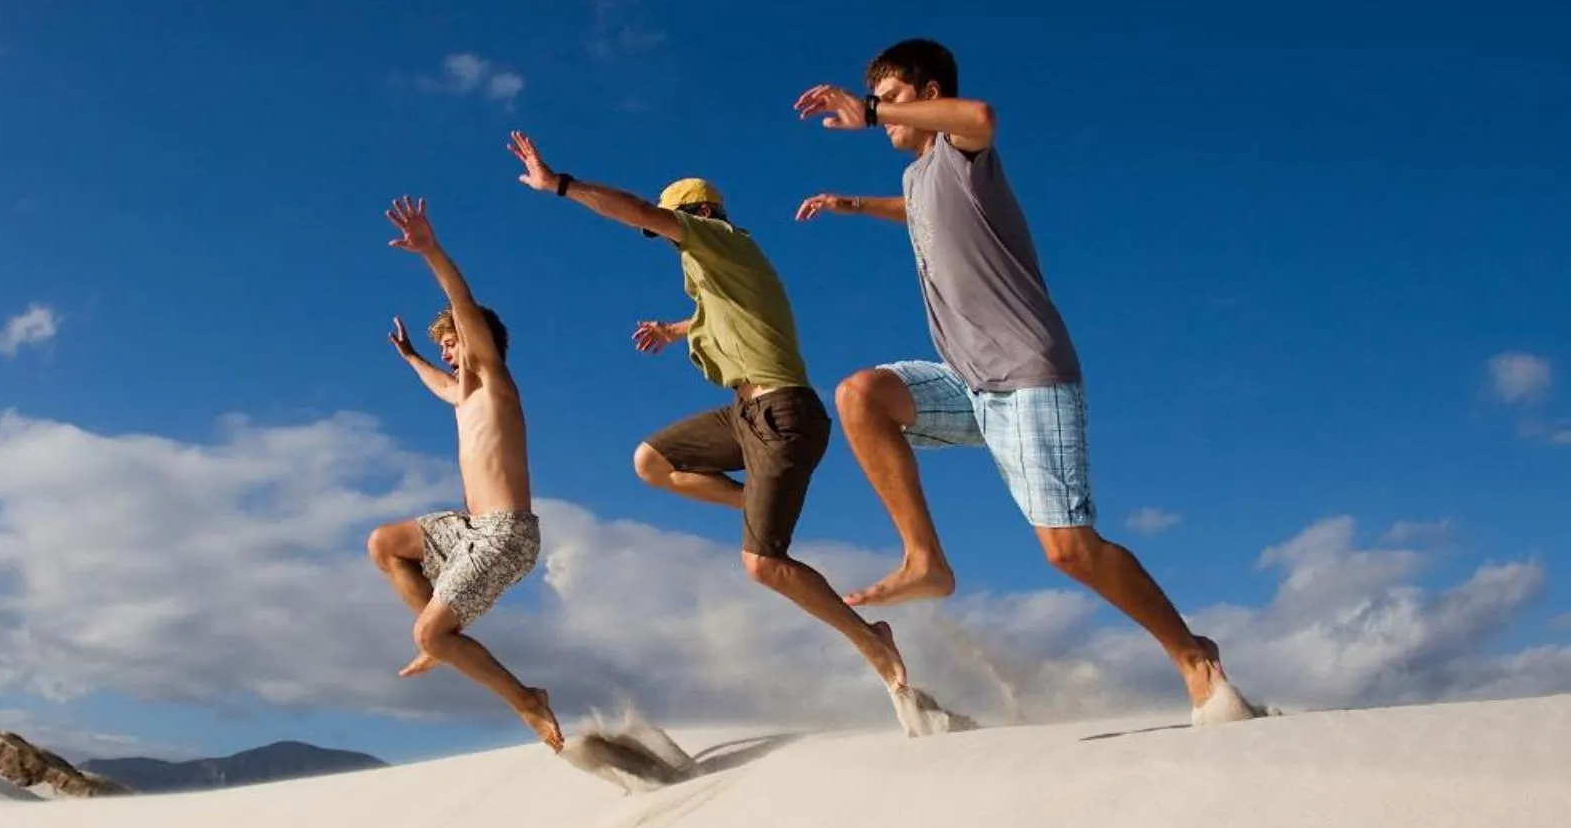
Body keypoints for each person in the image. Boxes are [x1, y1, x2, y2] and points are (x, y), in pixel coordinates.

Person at [794, 37, 1259, 722]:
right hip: (970, 384)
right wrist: (852, 205)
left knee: (1069, 551)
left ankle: (1194, 657)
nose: (882, 116)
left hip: (1027, 374)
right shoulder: (919, 177)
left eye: (893, 100)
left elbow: (980, 114)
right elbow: (916, 211)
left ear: (929, 96)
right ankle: (926, 559)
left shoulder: (961, 151)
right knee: (860, 394)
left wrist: (865, 109)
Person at [505, 130, 946, 721]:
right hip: (744, 415)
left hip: (784, 413)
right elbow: (717, 312)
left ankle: (874, 642)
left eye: (667, 224)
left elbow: (636, 209)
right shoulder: (717, 278)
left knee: (763, 564)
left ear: (701, 214)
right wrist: (675, 328)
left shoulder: (723, 241)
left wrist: (559, 184)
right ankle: (753, 505)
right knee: (651, 462)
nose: (659, 236)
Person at [365, 197, 564, 751]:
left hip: (506, 534)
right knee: (385, 543)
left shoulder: (496, 379)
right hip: (471, 529)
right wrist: (411, 358)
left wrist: (431, 250)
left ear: (479, 341)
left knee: (429, 630)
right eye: (446, 348)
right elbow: (443, 387)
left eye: (454, 343)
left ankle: (527, 698)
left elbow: (462, 301)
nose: (451, 354)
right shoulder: (465, 396)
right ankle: (439, 635)